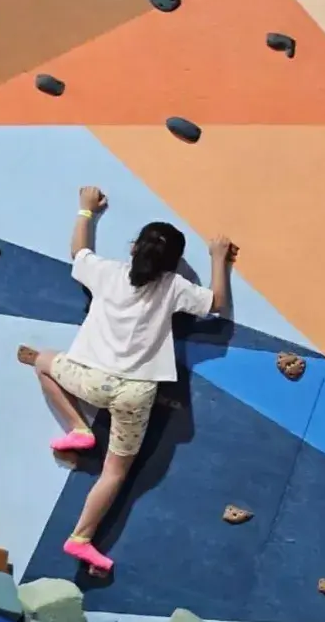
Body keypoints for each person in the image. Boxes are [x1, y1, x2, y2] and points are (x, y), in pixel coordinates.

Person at [34, 186, 237, 571]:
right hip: (135, 394)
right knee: (116, 472)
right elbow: (217, 303)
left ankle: (78, 428)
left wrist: (86, 211)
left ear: (133, 248)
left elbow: (78, 252)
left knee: (44, 362)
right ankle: (81, 538)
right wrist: (218, 258)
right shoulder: (174, 287)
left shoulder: (108, 273)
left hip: (88, 379)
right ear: (174, 263)